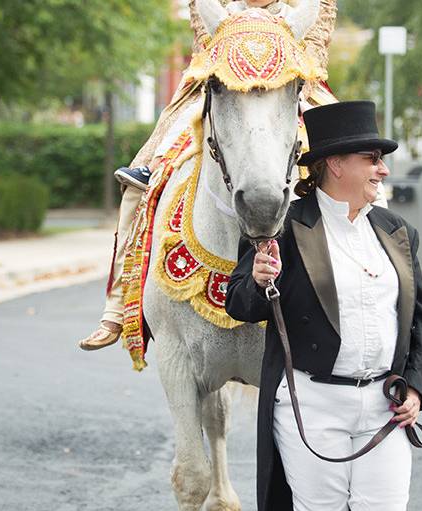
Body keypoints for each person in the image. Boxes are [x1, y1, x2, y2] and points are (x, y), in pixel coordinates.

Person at [225, 100, 422, 511]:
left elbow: (421, 321)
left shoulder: (397, 231)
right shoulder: (282, 228)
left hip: (385, 403)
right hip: (313, 403)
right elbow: (239, 304)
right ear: (336, 164)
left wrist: (415, 389)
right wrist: (258, 277)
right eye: (373, 159)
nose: (383, 170)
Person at [78, 0, 338, 350]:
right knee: (144, 177)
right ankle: (118, 304)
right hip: (220, 89)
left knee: (356, 164)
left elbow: (315, 48)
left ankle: (369, 293)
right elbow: (205, 42)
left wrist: (281, 44)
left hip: (291, 89)